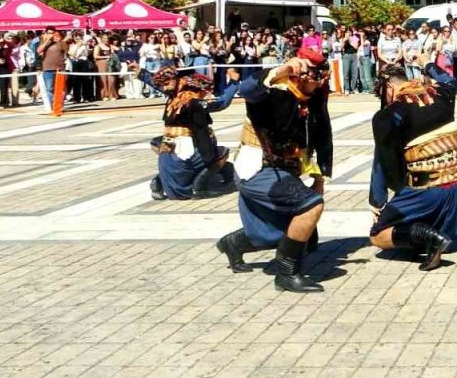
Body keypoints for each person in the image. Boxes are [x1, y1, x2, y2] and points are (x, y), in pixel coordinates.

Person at [215, 48, 333, 293]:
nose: (320, 84)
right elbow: (247, 88)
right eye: (315, 77)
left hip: (287, 168)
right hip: (259, 167)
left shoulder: (314, 95)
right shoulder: (274, 91)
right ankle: (286, 275)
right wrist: (283, 69)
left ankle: (233, 243)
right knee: (310, 207)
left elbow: (322, 133)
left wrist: (320, 174)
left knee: (296, 234)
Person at [368, 58, 457, 272]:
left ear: (389, 87)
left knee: (378, 236)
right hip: (456, 188)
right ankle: (434, 235)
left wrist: (377, 200)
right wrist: (427, 64)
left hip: (427, 190)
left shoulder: (389, 114)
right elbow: (448, 79)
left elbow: (382, 161)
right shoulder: (443, 95)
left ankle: (431, 240)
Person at [139, 65, 240, 200]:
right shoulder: (194, 102)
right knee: (220, 154)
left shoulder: (174, 96)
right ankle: (199, 188)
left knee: (161, 146)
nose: (163, 87)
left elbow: (159, 83)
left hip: (171, 145)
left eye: (166, 83)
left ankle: (159, 182)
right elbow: (221, 103)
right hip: (184, 151)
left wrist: (140, 73)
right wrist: (233, 83)